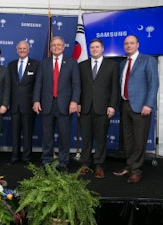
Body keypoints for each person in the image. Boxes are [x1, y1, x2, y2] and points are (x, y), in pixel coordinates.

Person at [113, 35, 159, 183]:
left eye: (131, 43)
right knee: (128, 140)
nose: (128, 45)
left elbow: (153, 84)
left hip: (142, 106)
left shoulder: (148, 60)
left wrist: (149, 104)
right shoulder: (123, 63)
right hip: (125, 105)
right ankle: (129, 165)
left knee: (139, 140)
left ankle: (136, 171)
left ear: (137, 45)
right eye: (126, 43)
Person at [33, 36, 81, 172]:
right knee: (47, 135)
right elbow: (38, 84)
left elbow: (76, 85)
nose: (56, 47)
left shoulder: (72, 63)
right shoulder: (44, 63)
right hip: (46, 104)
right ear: (50, 47)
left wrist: (74, 101)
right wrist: (36, 100)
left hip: (65, 105)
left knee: (64, 135)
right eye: (53, 45)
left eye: (59, 45)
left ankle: (63, 162)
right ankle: (47, 160)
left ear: (64, 47)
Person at [78, 38, 119, 178]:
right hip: (85, 108)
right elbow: (78, 87)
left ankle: (99, 165)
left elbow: (115, 88)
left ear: (102, 49)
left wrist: (112, 105)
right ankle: (84, 164)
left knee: (101, 139)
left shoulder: (112, 65)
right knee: (86, 138)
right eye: (92, 47)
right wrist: (77, 103)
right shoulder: (82, 65)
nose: (94, 49)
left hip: (103, 108)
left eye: (97, 47)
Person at [7, 40, 39, 164]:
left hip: (29, 105)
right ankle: (15, 157)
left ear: (28, 50)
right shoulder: (11, 65)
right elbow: (8, 85)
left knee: (27, 133)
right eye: (20, 48)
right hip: (14, 105)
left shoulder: (36, 65)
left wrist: (36, 101)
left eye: (24, 48)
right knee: (14, 133)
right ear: (16, 50)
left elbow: (37, 85)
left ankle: (26, 158)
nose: (22, 50)